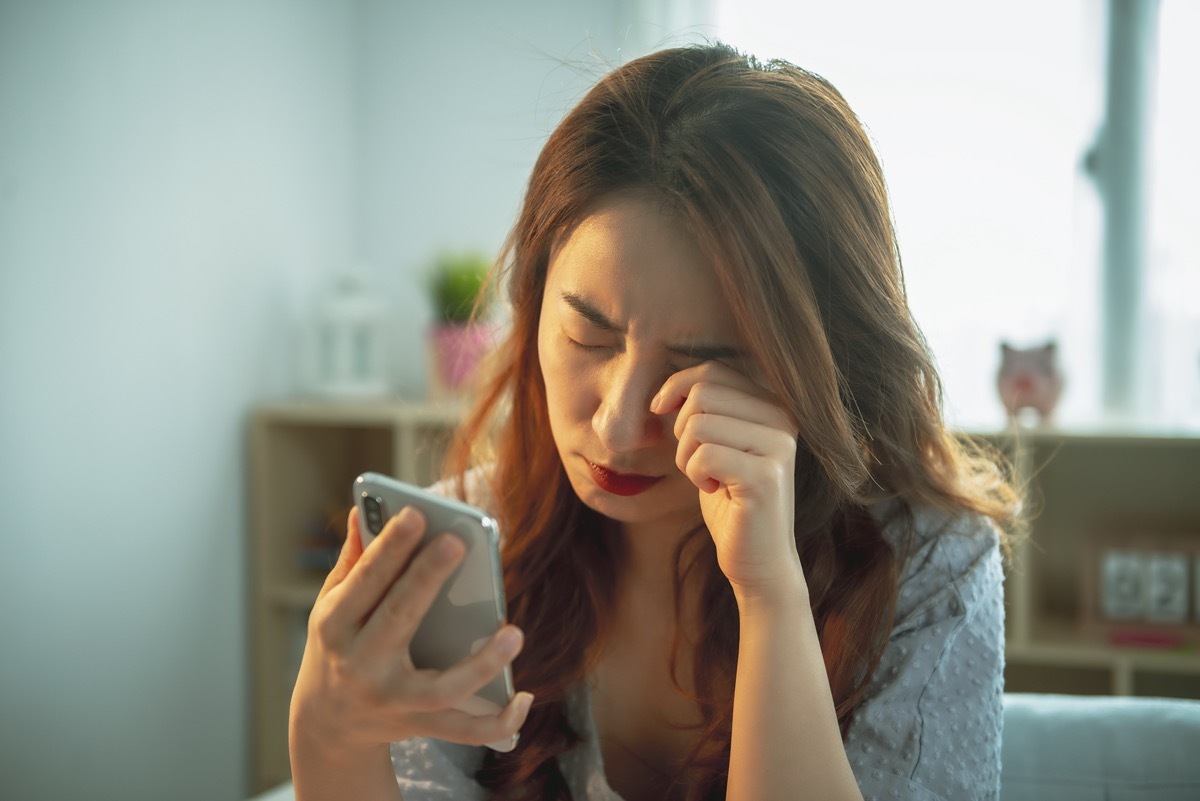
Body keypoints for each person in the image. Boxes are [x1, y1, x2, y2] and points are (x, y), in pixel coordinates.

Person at [288, 42, 1022, 801]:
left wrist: (770, 594)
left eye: (699, 364)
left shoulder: (932, 566)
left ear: (818, 362)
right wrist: (327, 733)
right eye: (589, 335)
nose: (617, 424)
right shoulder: (473, 538)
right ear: (535, 301)